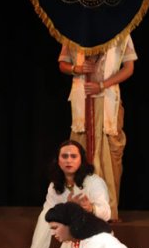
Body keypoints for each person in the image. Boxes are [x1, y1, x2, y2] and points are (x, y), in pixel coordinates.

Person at [58, 34, 137, 221]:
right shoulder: (74, 31)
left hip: (107, 100)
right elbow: (63, 64)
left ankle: (106, 211)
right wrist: (76, 68)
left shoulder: (121, 33)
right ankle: (79, 207)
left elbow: (129, 68)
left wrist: (102, 85)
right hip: (83, 99)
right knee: (80, 150)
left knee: (110, 154)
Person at [12, 140, 111, 248]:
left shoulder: (94, 182)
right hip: (70, 242)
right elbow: (48, 216)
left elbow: (106, 213)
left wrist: (90, 208)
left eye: (73, 156)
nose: (68, 160)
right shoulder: (55, 186)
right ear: (58, 161)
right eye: (64, 156)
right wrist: (67, 209)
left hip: (91, 239)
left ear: (81, 160)